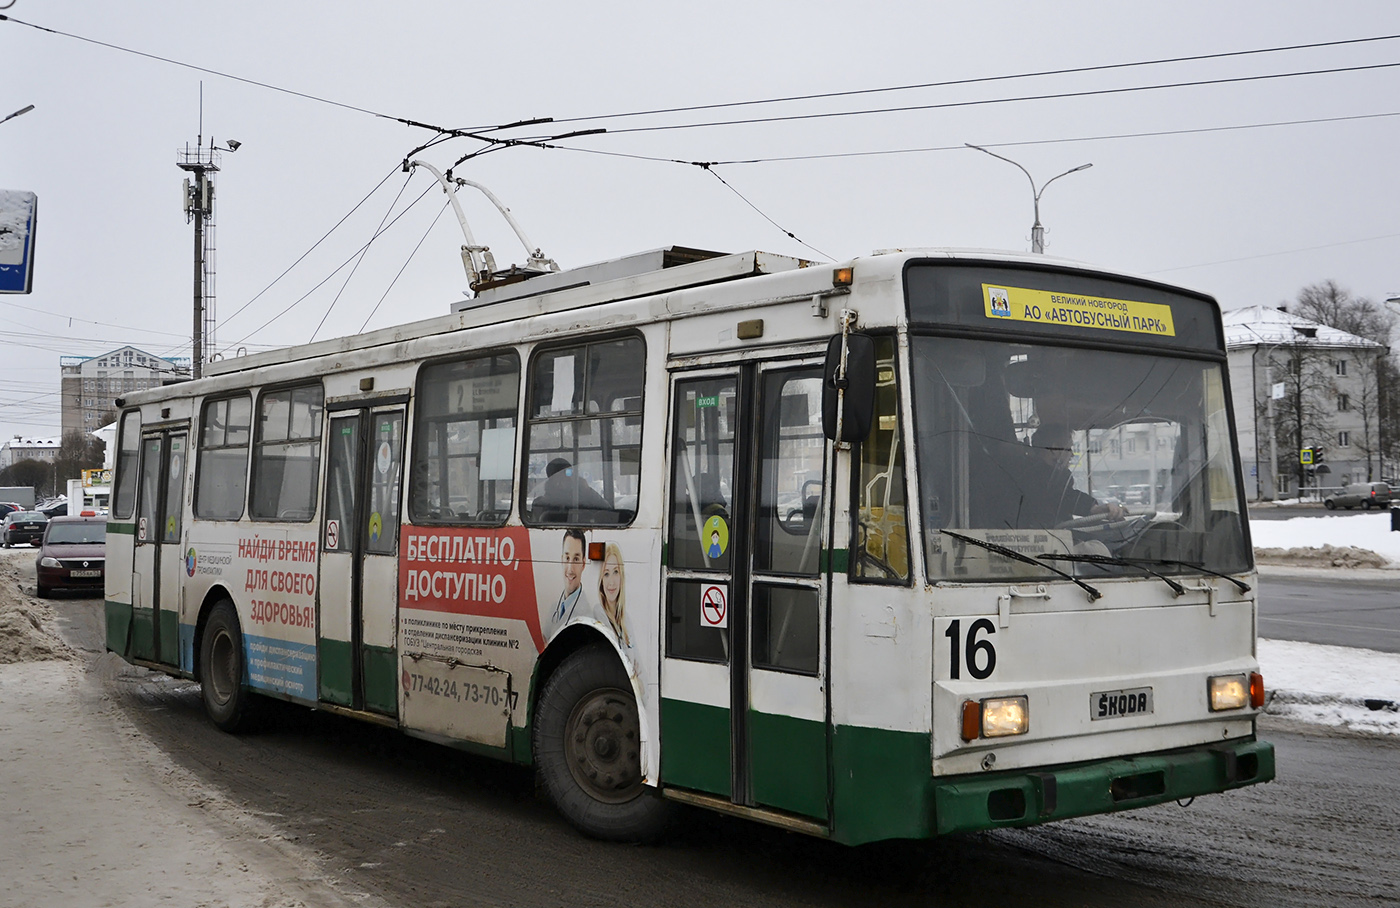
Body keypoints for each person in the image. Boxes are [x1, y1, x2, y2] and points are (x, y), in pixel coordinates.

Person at [1022, 424, 1125, 526]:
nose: (1072, 454)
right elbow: (1065, 497)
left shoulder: (1027, 472)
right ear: (1054, 450)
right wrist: (1094, 509)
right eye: (1069, 448)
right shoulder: (1045, 479)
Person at [532, 458, 611, 521]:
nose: (568, 477)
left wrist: (586, 490)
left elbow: (607, 510)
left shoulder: (584, 496)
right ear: (553, 479)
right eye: (562, 474)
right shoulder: (543, 502)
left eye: (569, 472)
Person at [597, 542, 630, 647]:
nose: (611, 582)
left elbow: (638, 661)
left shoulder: (625, 619)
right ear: (601, 581)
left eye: (615, 572)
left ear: (621, 575)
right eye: (606, 574)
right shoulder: (598, 612)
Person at [554, 528, 588, 627]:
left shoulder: (586, 613)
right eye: (567, 558)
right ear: (561, 560)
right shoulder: (554, 607)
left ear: (583, 564)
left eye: (576, 559)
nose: (570, 569)